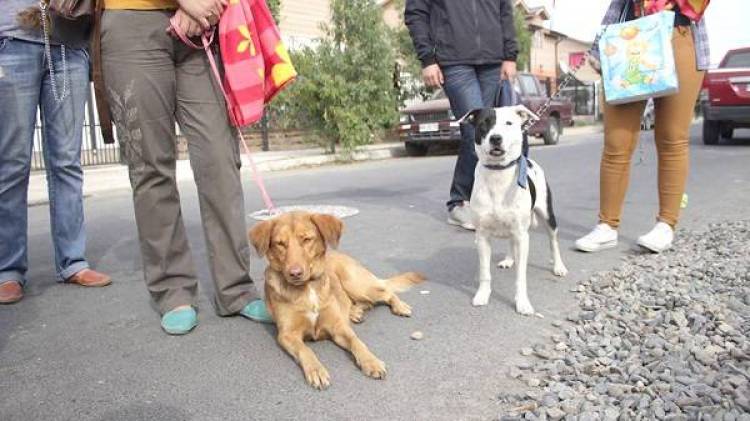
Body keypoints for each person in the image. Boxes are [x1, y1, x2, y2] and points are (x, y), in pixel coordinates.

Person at [95, 0, 270, 335]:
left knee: (219, 158)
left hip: (203, 20)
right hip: (132, 20)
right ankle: (172, 289)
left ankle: (235, 287)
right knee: (150, 165)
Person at [575, 0, 710, 253]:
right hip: (631, 36)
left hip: (680, 33)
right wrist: (597, 49)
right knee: (617, 140)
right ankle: (606, 226)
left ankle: (666, 224)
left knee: (672, 137)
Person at [0, 1, 112, 305]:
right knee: (12, 163)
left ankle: (73, 261)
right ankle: (8, 270)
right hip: (13, 39)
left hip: (69, 41)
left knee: (67, 162)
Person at [405, 0, 518, 231]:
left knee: (486, 134)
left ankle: (481, 199)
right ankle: (458, 202)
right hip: (454, 61)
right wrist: (427, 59)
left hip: (492, 60)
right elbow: (415, 12)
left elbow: (505, 10)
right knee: (474, 131)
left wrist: (510, 55)